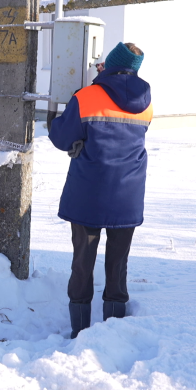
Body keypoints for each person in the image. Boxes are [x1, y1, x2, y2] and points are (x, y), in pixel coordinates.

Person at [48, 42, 153, 338]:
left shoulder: (86, 96)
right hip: (128, 195)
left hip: (88, 195)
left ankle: (80, 328)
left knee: (83, 262)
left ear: (109, 64)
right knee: (118, 264)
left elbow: (61, 137)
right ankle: (114, 328)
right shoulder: (146, 101)